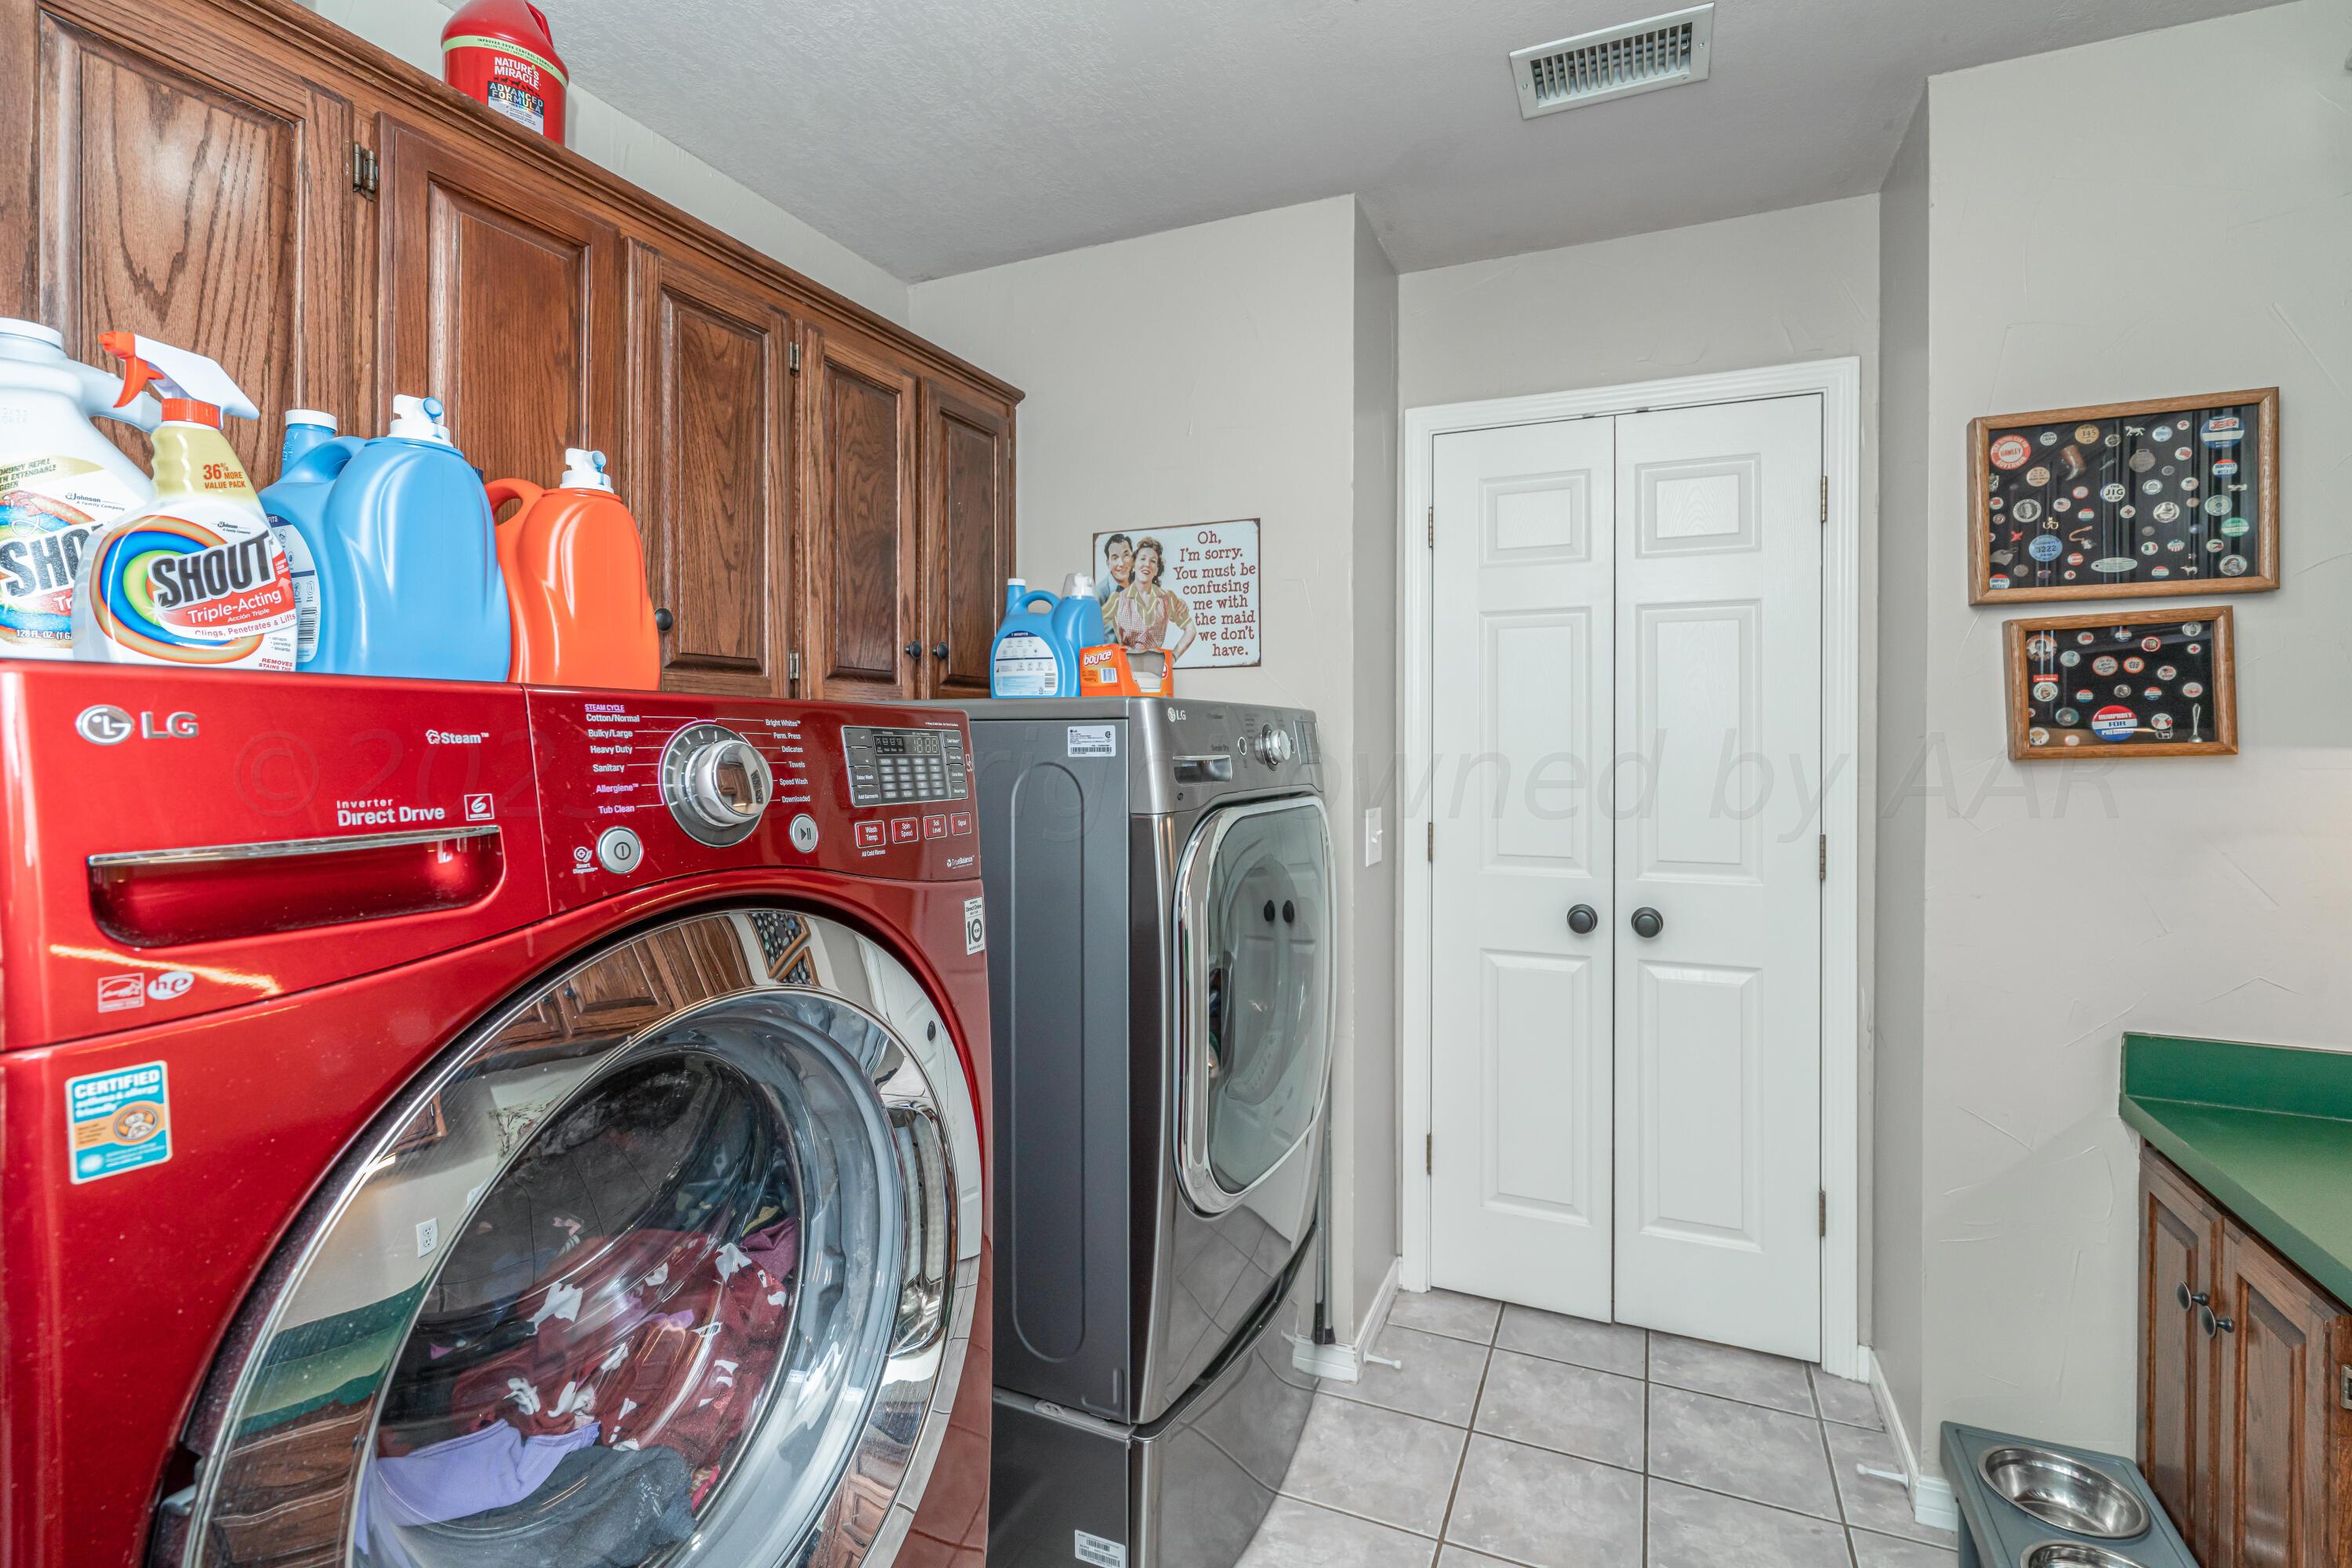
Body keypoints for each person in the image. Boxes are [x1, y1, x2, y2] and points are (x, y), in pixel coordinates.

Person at [1109, 535, 1196, 662]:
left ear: (1157, 570)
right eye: (1143, 559)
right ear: (1133, 565)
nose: (1147, 564)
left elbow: (1191, 630)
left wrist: (1172, 658)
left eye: (1153, 561)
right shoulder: (1118, 600)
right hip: (1127, 668)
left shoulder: (1167, 598)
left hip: (1156, 670)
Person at [1096, 533, 1134, 610]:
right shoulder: (1099, 594)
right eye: (1115, 558)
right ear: (1108, 564)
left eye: (1126, 555)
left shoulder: (1141, 582)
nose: (1122, 564)